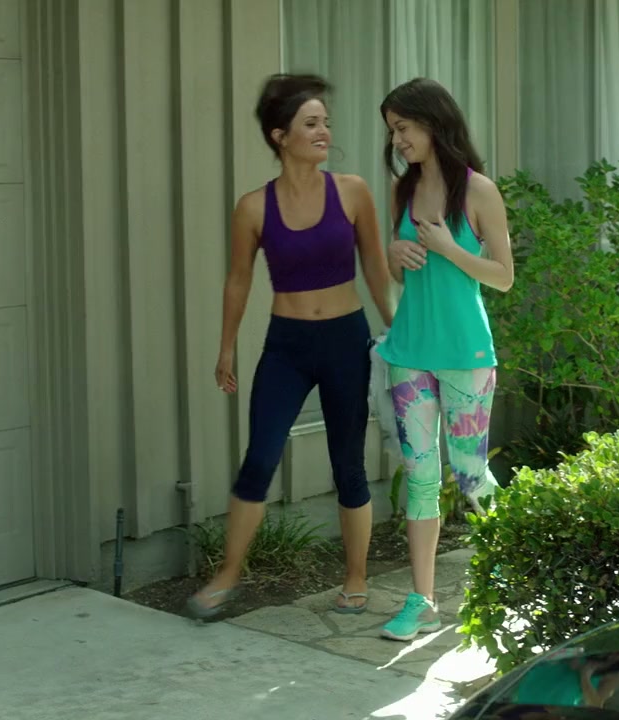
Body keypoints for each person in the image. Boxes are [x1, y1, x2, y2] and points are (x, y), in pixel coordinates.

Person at [185, 73, 394, 620]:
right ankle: (227, 575)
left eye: (325, 122)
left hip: (345, 340)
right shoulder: (253, 207)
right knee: (259, 458)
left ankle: (355, 577)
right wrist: (226, 348)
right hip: (287, 346)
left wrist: (398, 329)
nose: (324, 131)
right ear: (281, 136)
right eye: (311, 123)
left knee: (348, 465)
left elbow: (375, 268)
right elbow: (238, 280)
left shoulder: (352, 192)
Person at [373, 78, 514, 642]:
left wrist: (451, 249)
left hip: (465, 353)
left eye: (404, 128)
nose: (398, 140)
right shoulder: (401, 191)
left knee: (472, 474)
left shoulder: (479, 191)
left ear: (433, 123)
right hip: (409, 351)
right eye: (393, 131)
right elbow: (397, 273)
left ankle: (513, 570)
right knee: (420, 477)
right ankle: (423, 600)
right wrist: (394, 252)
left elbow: (503, 277)